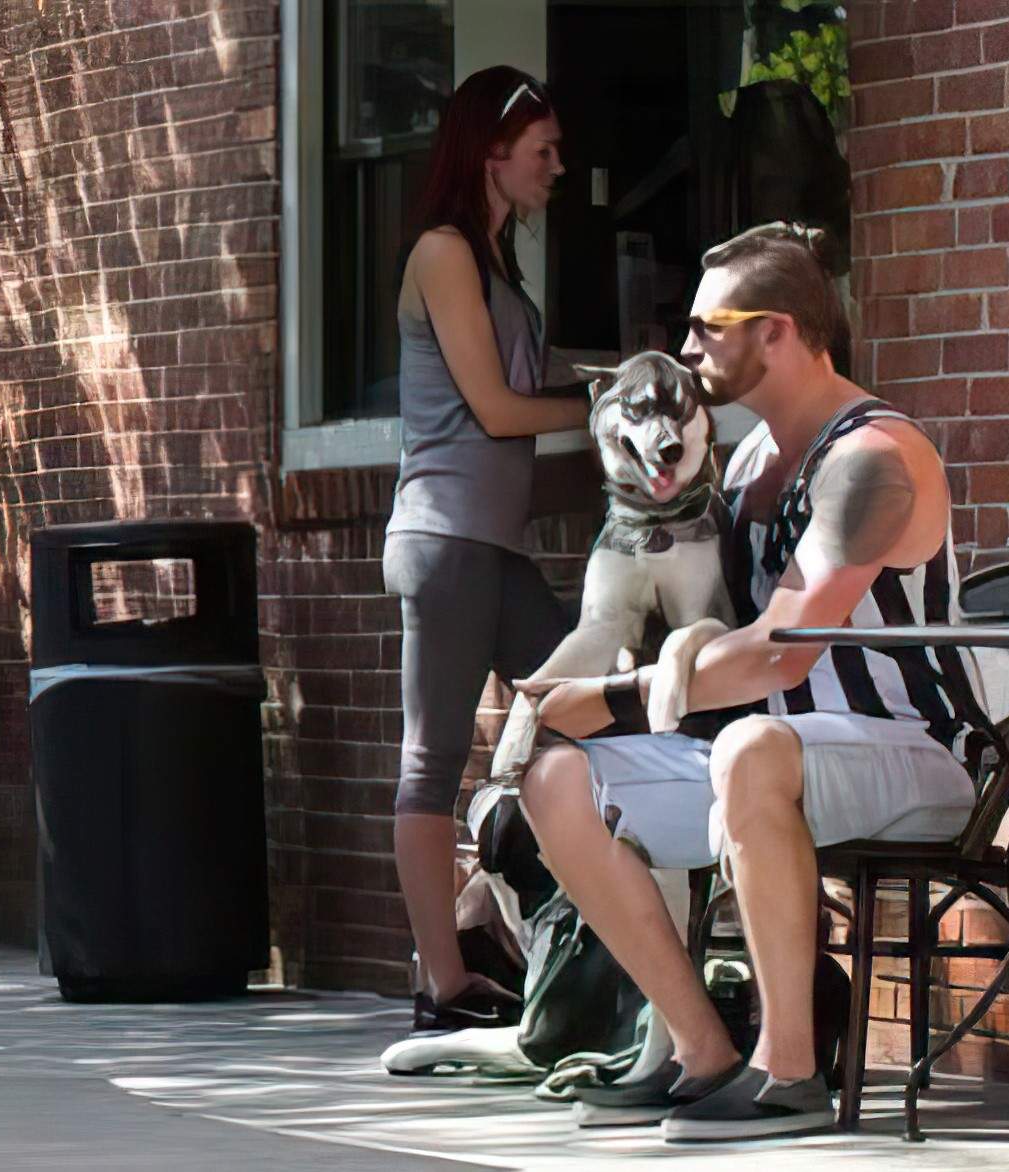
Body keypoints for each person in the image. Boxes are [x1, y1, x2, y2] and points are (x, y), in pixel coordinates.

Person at [513, 222, 989, 1141]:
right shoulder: (750, 463)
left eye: (705, 327)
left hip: (916, 757)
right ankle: (701, 1052)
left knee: (750, 744)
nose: (686, 350)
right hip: (767, 758)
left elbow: (782, 651)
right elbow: (700, 630)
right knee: (553, 774)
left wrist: (617, 698)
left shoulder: (874, 458)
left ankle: (790, 1071)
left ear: (774, 330)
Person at [383, 66, 588, 1035]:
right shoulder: (444, 252)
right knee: (432, 758)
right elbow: (500, 409)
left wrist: (623, 379)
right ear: (491, 153)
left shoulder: (499, 265)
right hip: (445, 536)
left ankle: (486, 913)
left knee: (584, 709)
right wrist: (605, 408)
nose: (558, 165)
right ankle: (442, 979)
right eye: (542, 150)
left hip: (492, 546)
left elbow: (527, 385)